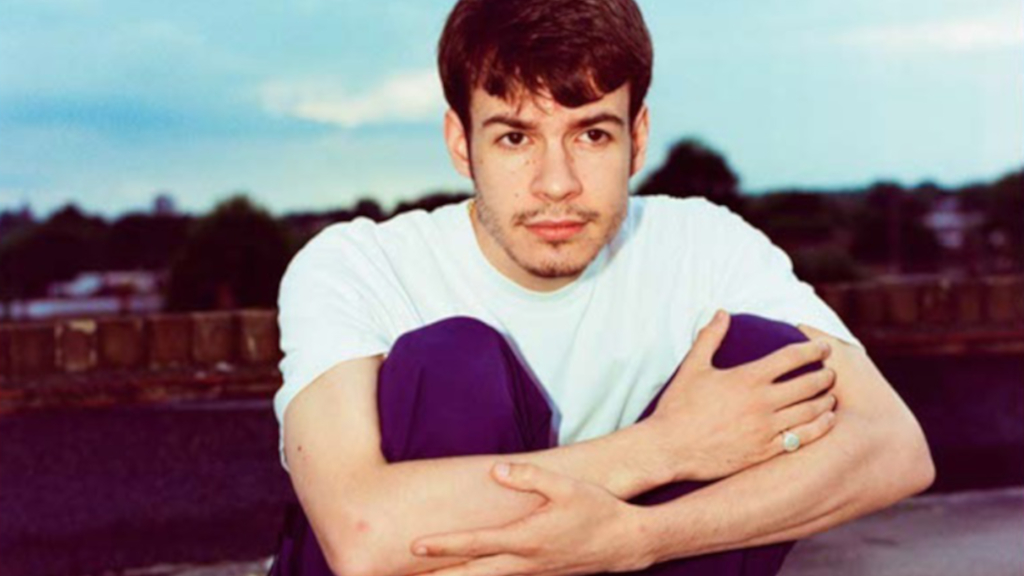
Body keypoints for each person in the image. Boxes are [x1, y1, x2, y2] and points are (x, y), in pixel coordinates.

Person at [267, 1, 935, 575]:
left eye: (591, 133)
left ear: (636, 139)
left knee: (762, 352)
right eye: (515, 137)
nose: (556, 183)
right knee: (452, 361)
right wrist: (667, 448)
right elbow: (361, 533)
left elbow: (894, 446)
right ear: (461, 142)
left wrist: (637, 538)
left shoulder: (703, 245)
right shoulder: (359, 265)